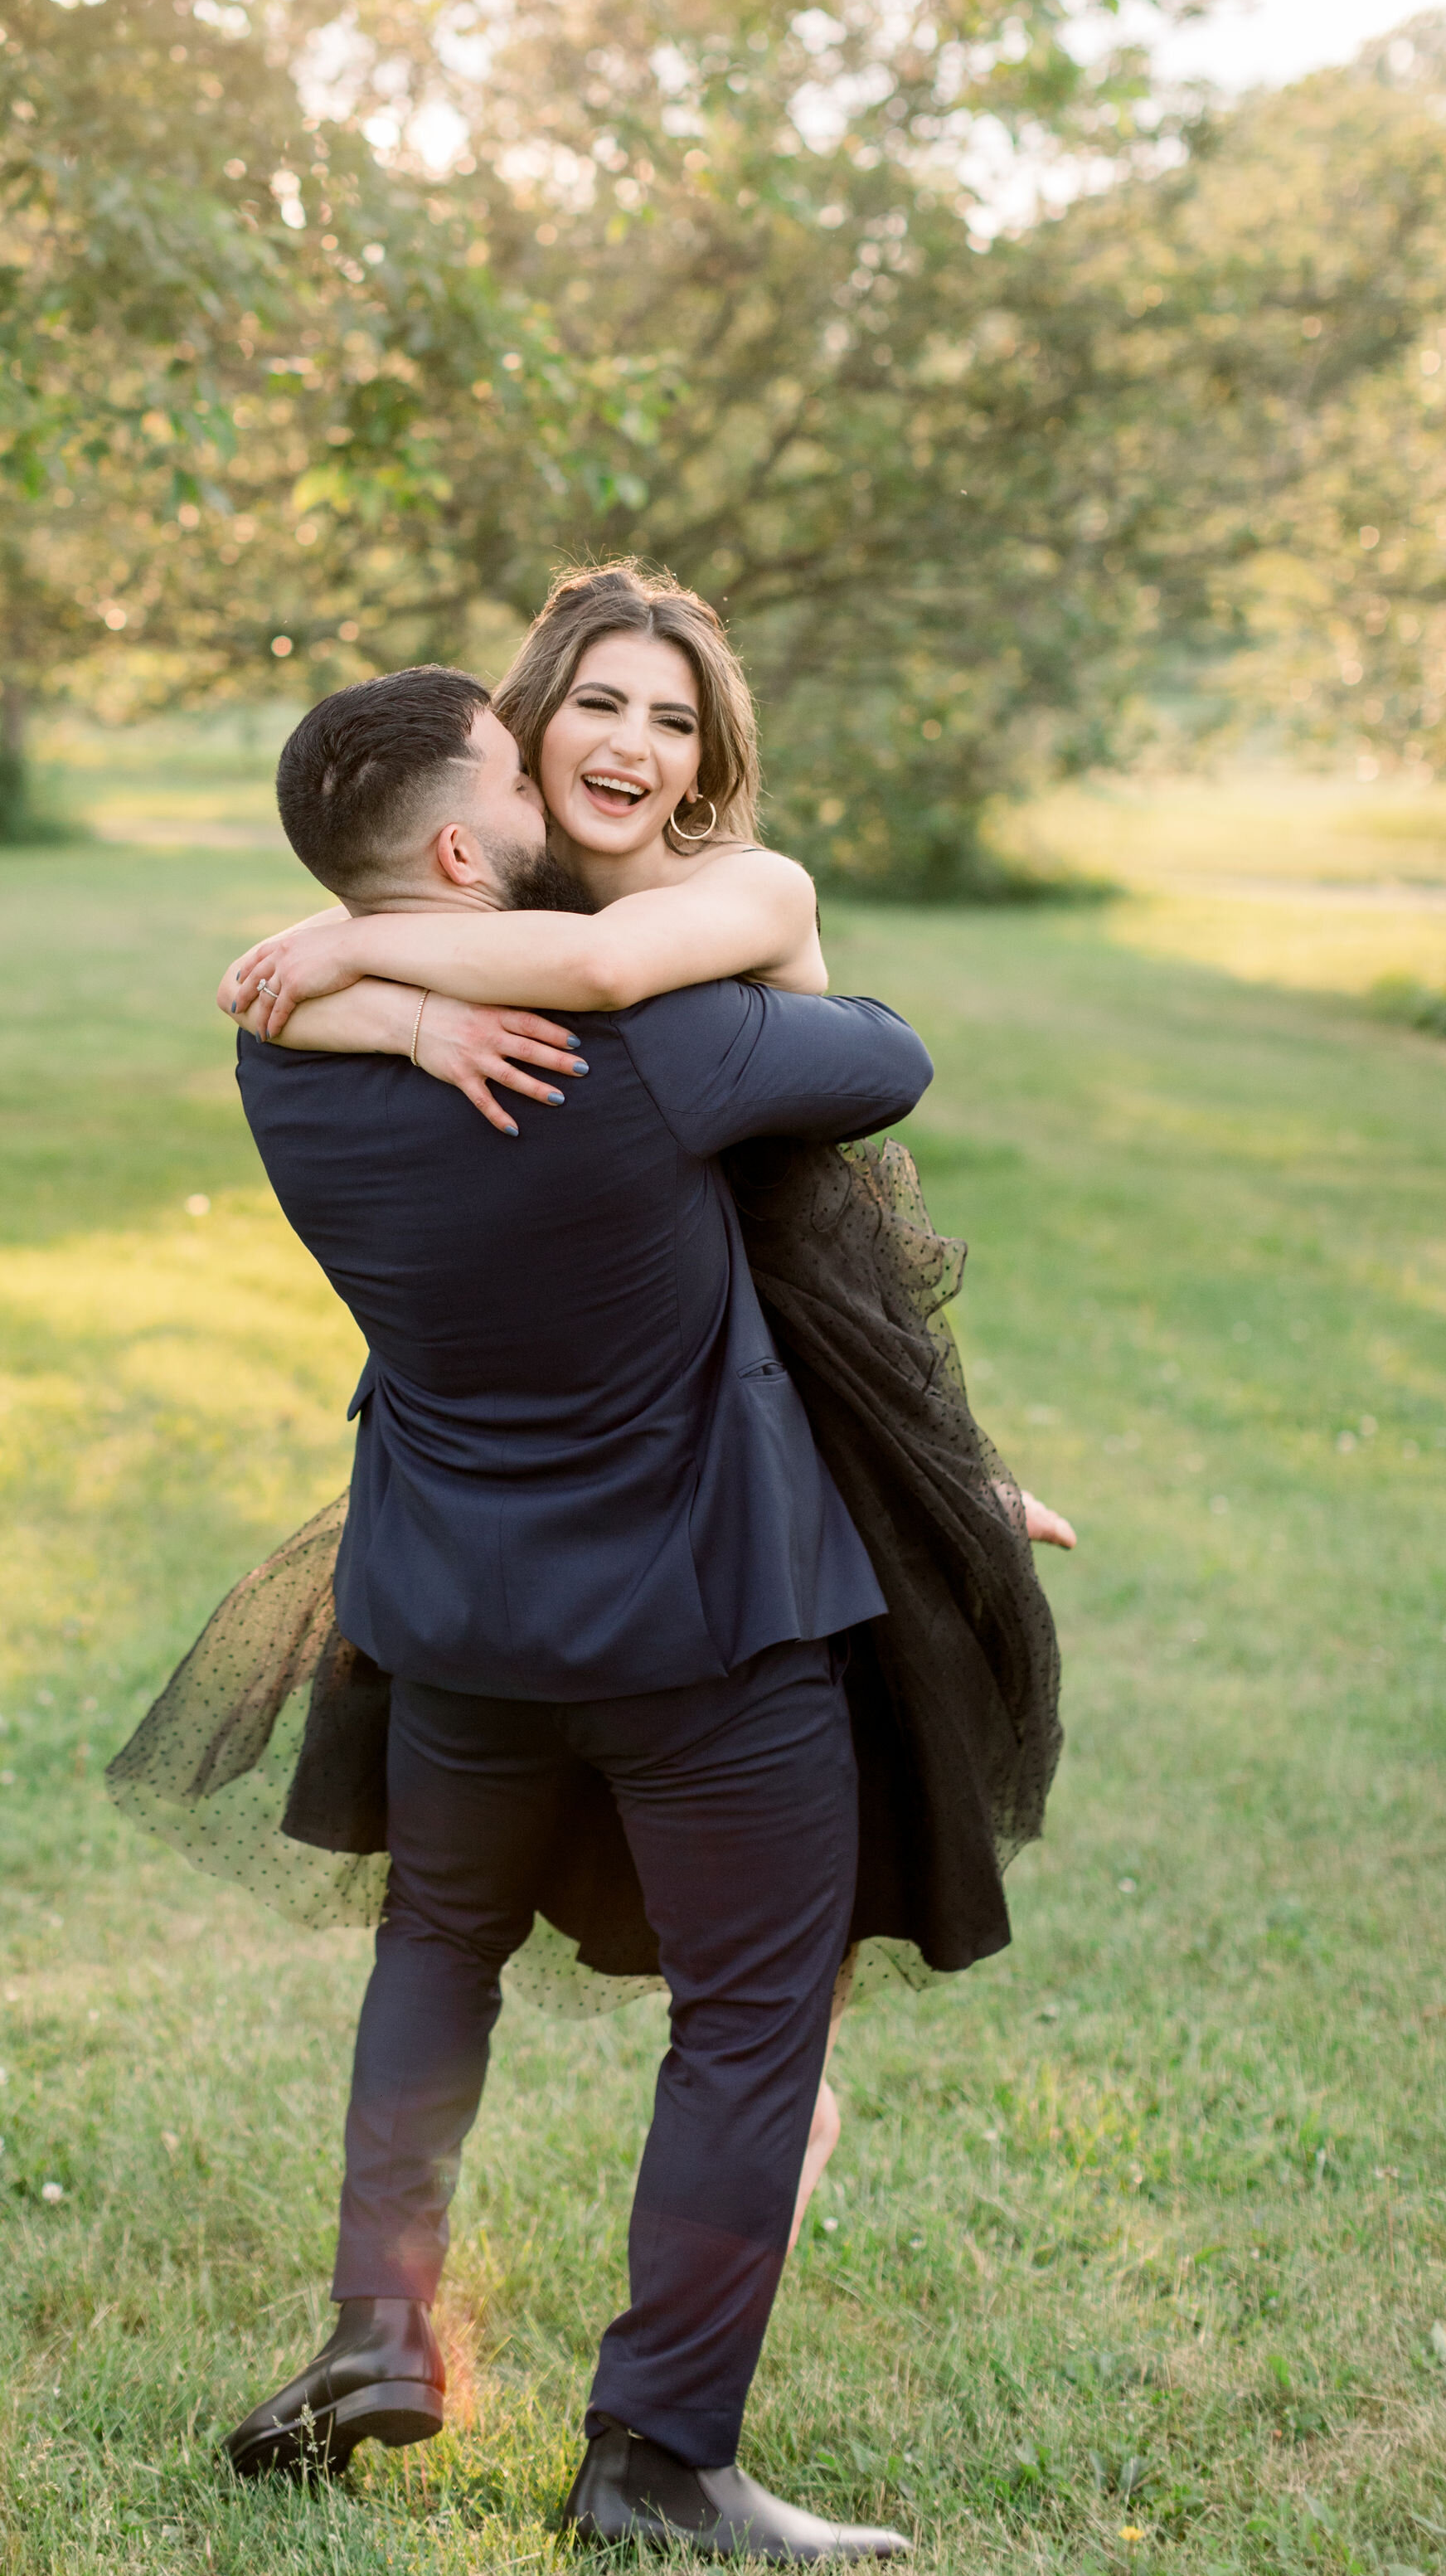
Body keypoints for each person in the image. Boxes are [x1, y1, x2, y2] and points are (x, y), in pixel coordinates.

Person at [209, 561, 1070, 2241]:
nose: (633, 742)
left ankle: (774, 2082)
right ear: (527, 743)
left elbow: (609, 992)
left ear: (704, 762)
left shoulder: (728, 896)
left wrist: (366, 952)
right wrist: (402, 991)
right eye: (598, 703)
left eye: (673, 721)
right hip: (608, 1393)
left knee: (847, 1776)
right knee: (593, 1820)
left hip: (799, 1370)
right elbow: (269, 1000)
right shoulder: (483, 915)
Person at [181, 654, 934, 2561]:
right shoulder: (664, 1044)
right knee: (754, 2023)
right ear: (463, 836)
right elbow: (889, 1061)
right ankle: (659, 2458)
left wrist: (385, 980)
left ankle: (378, 2331)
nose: (565, 785)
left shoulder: (286, 1041)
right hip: (703, 1629)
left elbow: (333, 965)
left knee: (434, 1948)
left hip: (447, 1620)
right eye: (528, 770)